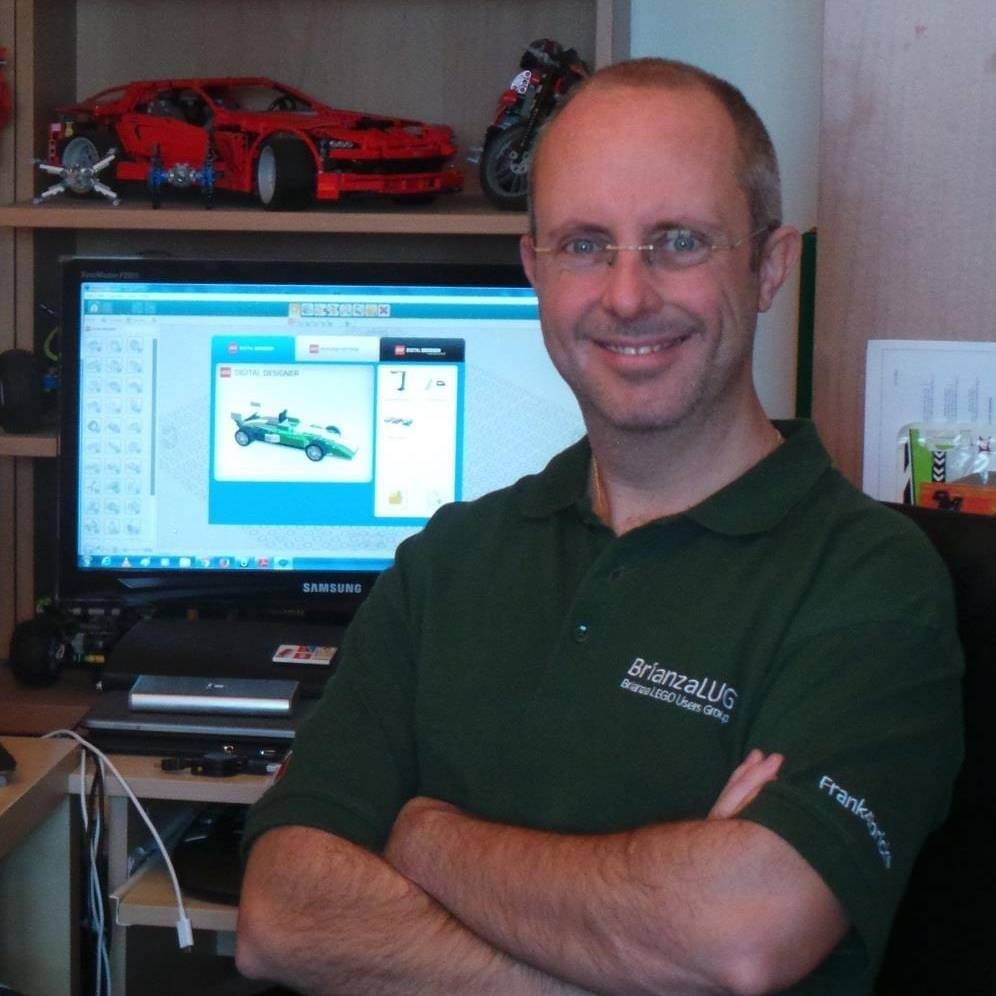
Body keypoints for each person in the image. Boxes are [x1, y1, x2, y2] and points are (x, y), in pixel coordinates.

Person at [235, 58, 963, 995]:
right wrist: (636, 954)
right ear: (534, 271)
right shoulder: (447, 561)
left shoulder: (868, 580)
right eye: (584, 245)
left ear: (770, 266)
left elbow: (745, 933)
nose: (626, 296)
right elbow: (281, 913)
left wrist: (424, 836)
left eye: (678, 241)